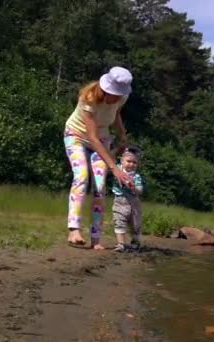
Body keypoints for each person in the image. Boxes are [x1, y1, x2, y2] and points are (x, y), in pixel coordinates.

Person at [64, 66, 135, 250]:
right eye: (115, 94)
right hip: (77, 136)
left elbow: (116, 114)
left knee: (100, 185)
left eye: (120, 94)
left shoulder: (121, 98)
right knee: (81, 176)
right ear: (105, 89)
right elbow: (92, 138)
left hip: (102, 138)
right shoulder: (88, 99)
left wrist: (122, 135)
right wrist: (114, 167)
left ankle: (96, 239)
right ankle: (74, 230)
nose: (118, 98)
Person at [111, 145, 144, 252]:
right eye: (129, 161)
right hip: (120, 200)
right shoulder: (118, 169)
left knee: (135, 223)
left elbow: (140, 190)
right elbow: (110, 161)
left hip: (134, 202)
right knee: (119, 220)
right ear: (122, 161)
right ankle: (121, 243)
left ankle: (135, 242)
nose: (131, 164)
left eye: (134, 163)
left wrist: (134, 187)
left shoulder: (136, 176)